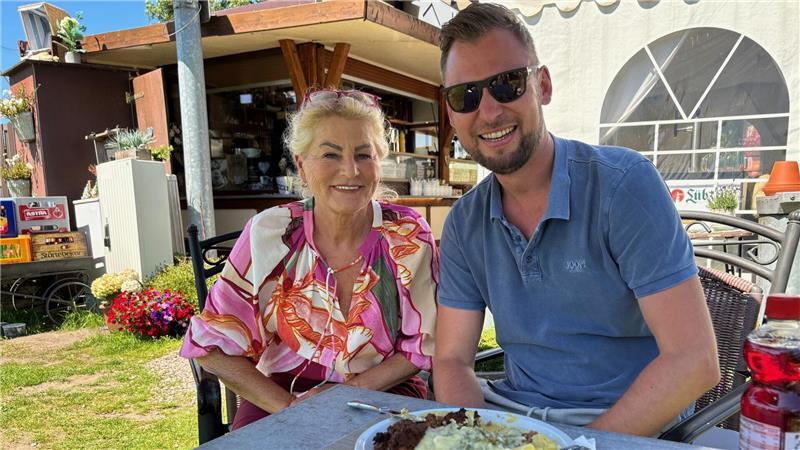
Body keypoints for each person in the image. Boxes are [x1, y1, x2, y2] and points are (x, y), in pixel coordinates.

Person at [433, 3, 719, 437]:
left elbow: (695, 360)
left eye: (507, 84)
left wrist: (581, 448)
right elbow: (452, 358)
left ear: (542, 85)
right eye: (465, 96)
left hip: (627, 424)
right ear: (452, 114)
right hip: (514, 419)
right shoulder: (464, 223)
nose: (488, 111)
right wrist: (474, 438)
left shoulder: (622, 187)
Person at [180, 89, 438, 430]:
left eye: (364, 154)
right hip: (282, 396)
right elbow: (212, 347)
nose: (350, 170)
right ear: (301, 165)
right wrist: (293, 407)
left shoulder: (406, 234)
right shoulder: (271, 233)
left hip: (384, 389)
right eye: (330, 154)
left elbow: (423, 344)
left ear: (380, 161)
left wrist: (346, 393)